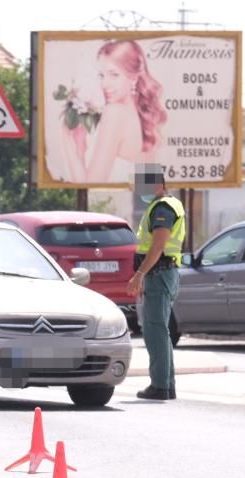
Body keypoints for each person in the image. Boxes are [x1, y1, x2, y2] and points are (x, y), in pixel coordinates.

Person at [60, 39, 167, 183]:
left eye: (114, 75)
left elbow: (92, 184)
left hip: (108, 205)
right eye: (102, 75)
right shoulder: (141, 119)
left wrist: (68, 143)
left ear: (134, 78)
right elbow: (148, 190)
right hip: (133, 204)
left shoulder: (115, 113)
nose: (105, 84)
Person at [127, 165, 186, 401]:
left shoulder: (163, 208)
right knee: (159, 330)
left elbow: (158, 245)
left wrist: (139, 274)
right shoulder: (164, 205)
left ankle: (160, 385)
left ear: (158, 185)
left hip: (159, 273)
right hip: (163, 273)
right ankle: (165, 384)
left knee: (155, 330)